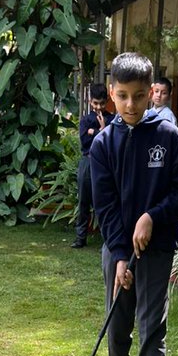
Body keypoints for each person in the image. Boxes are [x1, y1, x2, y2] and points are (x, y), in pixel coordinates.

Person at [89, 52, 178, 356]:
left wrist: (153, 216)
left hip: (157, 249)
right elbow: (105, 205)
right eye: (122, 96)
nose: (131, 105)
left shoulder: (168, 136)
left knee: (152, 329)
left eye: (138, 96)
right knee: (117, 325)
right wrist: (119, 255)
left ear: (151, 93)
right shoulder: (103, 143)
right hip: (118, 250)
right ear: (111, 96)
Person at [72, 83, 113, 248]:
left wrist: (96, 131)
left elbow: (110, 142)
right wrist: (101, 132)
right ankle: (80, 238)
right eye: (95, 103)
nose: (98, 107)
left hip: (104, 164)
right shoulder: (86, 120)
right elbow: (84, 141)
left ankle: (108, 239)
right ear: (90, 101)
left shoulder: (112, 119)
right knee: (83, 201)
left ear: (107, 101)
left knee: (103, 201)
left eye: (102, 103)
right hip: (87, 162)